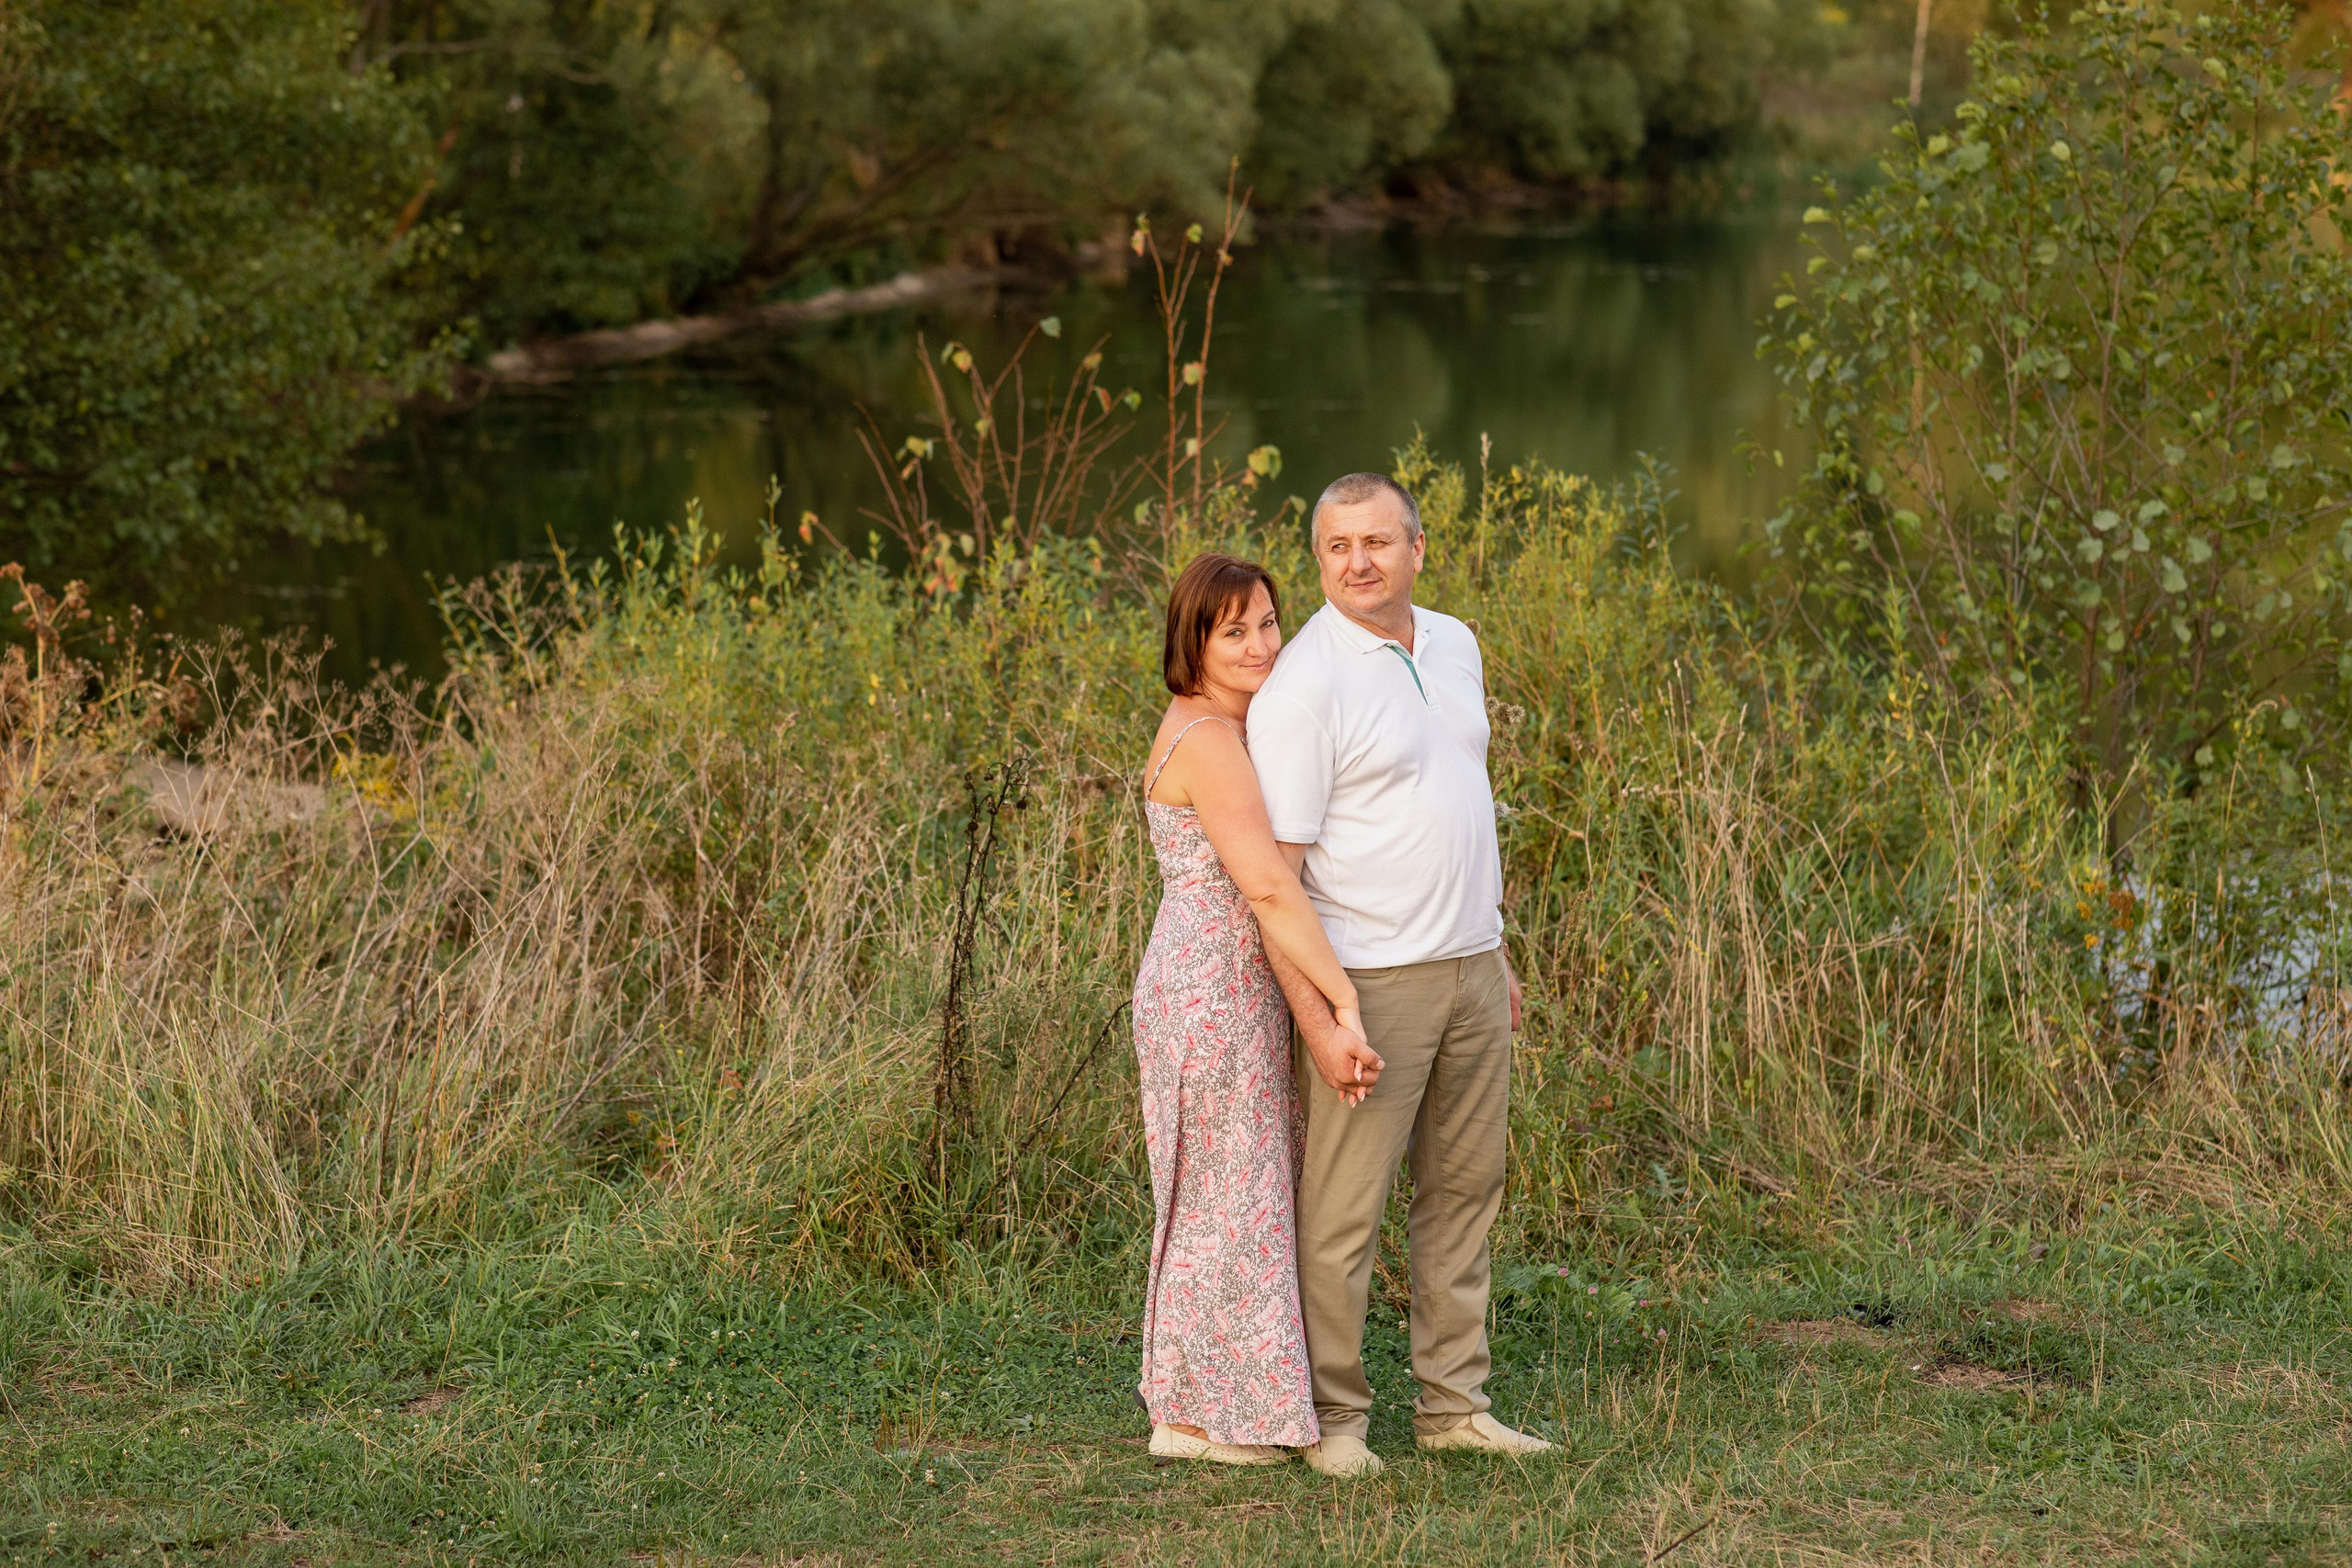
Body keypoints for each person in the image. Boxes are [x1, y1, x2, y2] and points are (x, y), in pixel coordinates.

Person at [1249, 471, 1555, 1479]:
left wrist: (1495, 949)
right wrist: (1323, 1020)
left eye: (1377, 542)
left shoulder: (1456, 642)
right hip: (1370, 981)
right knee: (1343, 1211)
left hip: (1471, 967)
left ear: (1417, 550)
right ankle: (1334, 1420)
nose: (1358, 563)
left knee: (1466, 1188)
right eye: (1337, 547)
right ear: (1319, 559)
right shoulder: (1302, 688)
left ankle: (1454, 1407)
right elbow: (1278, 887)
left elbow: (1460, 796)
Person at [1131, 551, 1385, 1465]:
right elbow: (1271, 891)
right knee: (1224, 1201)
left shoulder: (1231, 729)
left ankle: (1204, 1407)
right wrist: (1342, 999)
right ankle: (1204, 1419)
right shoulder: (1207, 739)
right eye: (1231, 630)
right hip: (1210, 992)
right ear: (1191, 640)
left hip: (1223, 986)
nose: (1257, 645)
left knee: (1230, 1198)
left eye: (1268, 623)